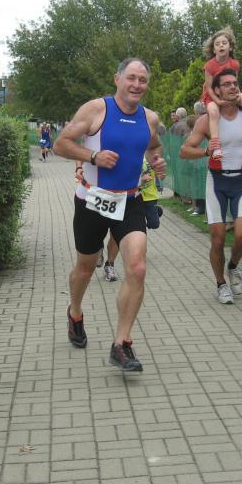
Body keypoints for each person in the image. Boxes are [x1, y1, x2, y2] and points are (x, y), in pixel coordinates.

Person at [53, 58, 166, 372]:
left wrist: (157, 161)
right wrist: (93, 156)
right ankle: (75, 312)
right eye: (131, 78)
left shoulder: (150, 118)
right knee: (85, 268)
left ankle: (122, 343)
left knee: (137, 268)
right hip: (93, 199)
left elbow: (154, 146)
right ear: (117, 79)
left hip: (130, 201)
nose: (137, 85)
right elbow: (61, 144)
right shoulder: (96, 110)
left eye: (142, 80)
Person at [179, 68, 242, 304]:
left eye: (235, 83)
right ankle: (221, 284)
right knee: (217, 239)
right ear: (216, 90)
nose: (233, 87)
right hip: (217, 181)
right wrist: (206, 151)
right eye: (227, 84)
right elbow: (184, 151)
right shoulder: (207, 120)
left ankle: (233, 266)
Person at [201, 27, 242, 159]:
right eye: (217, 44)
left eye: (224, 43)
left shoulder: (234, 64)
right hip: (212, 95)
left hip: (229, 92)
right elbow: (209, 88)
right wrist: (217, 101)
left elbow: (235, 83)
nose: (221, 46)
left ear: (230, 47)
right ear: (214, 50)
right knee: (213, 112)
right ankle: (216, 147)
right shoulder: (210, 66)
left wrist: (237, 96)